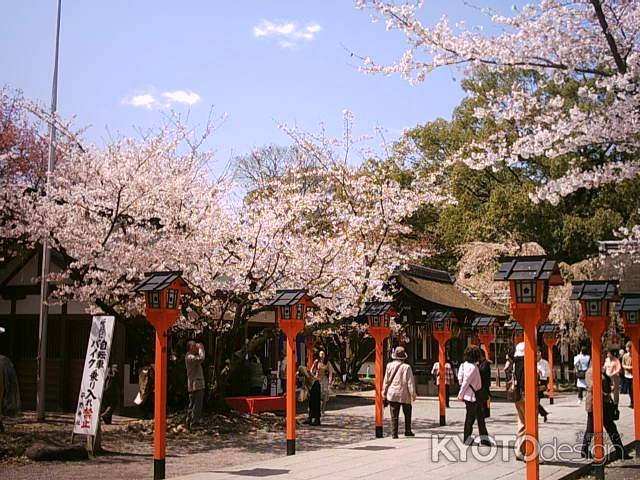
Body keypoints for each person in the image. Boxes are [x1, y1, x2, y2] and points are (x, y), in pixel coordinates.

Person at [580, 366, 631, 460]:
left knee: (611, 428)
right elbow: (592, 387)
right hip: (594, 403)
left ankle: (621, 452)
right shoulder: (591, 371)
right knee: (591, 428)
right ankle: (584, 450)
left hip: (604, 404)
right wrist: (604, 393)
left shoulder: (601, 370)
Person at [457, 346, 489, 446]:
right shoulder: (473, 367)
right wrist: (460, 394)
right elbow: (466, 382)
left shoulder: (462, 366)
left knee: (476, 417)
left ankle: (483, 439)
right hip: (473, 395)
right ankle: (469, 438)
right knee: (472, 418)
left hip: (469, 395)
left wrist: (462, 393)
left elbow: (460, 380)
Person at [382, 346, 417, 439]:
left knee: (394, 414)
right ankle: (408, 430)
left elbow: (386, 380)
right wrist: (413, 394)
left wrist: (384, 392)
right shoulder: (407, 367)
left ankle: (394, 433)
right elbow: (410, 382)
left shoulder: (389, 366)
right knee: (407, 412)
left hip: (392, 392)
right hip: (404, 393)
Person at [185, 341, 205, 429]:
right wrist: (201, 349)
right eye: (194, 346)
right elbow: (201, 358)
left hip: (196, 383)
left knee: (194, 403)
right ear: (190, 347)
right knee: (196, 403)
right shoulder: (189, 356)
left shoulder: (191, 356)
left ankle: (190, 421)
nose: (195, 348)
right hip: (195, 384)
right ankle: (194, 422)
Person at [512, 342, 526, 461]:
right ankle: (527, 450)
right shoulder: (525, 364)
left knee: (522, 424)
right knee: (529, 424)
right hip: (525, 395)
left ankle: (519, 449)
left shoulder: (515, 364)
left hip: (517, 395)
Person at [312, 350, 333, 414]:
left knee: (324, 396)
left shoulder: (327, 362)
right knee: (318, 395)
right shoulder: (316, 362)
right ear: (319, 355)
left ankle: (323, 410)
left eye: (323, 354)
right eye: (321, 354)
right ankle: (317, 409)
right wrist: (313, 377)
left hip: (325, 380)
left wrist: (330, 380)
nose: (322, 355)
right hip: (318, 379)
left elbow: (330, 372)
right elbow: (311, 370)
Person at [478, 348, 492, 419]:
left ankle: (485, 412)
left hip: (484, 384)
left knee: (484, 399)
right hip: (482, 384)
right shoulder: (481, 363)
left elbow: (483, 373)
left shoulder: (485, 363)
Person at [537, 351, 549, 422]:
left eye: (538, 355)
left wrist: (541, 372)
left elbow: (548, 373)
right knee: (535, 401)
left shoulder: (544, 363)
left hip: (542, 381)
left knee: (537, 400)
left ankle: (543, 413)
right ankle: (543, 413)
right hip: (534, 380)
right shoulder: (532, 361)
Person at [622, 341, 633, 408]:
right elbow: (623, 364)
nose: (627, 349)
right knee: (630, 390)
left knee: (634, 389)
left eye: (628, 347)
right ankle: (631, 401)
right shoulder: (625, 356)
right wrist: (627, 367)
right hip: (627, 374)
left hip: (633, 375)